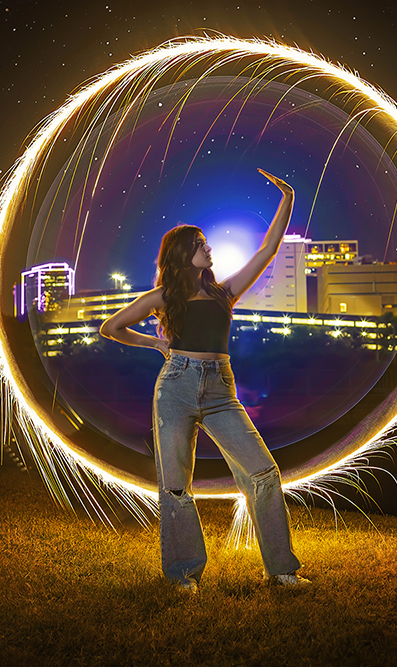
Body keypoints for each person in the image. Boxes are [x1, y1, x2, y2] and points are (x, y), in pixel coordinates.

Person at [100, 168, 308, 592]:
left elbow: (268, 249)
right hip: (175, 386)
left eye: (207, 244)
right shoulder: (163, 297)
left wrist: (287, 197)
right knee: (176, 485)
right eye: (200, 246)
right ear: (181, 255)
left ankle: (282, 570)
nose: (208, 249)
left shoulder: (223, 292)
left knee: (263, 472)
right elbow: (111, 327)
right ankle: (183, 574)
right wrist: (156, 346)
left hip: (220, 389)